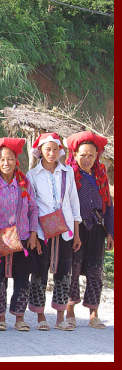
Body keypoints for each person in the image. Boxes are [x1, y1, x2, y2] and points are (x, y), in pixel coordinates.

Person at [0, 138, 40, 332]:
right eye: (2, 160)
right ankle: (0, 318)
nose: (6, 163)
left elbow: (33, 209)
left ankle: (19, 318)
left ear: (17, 160)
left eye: (10, 159)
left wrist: (32, 233)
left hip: (22, 238)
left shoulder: (24, 184)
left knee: (22, 279)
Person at [26, 132, 82, 331]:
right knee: (40, 273)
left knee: (63, 274)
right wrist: (33, 234)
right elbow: (31, 206)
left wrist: (76, 233)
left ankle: (60, 318)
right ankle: (41, 316)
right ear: (40, 151)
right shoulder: (32, 175)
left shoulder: (68, 173)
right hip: (42, 232)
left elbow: (74, 204)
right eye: (47, 149)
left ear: (60, 151)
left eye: (55, 149)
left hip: (65, 231)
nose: (51, 153)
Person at [64, 131, 114, 329]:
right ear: (75, 154)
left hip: (97, 229)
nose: (87, 159)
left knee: (96, 270)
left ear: (97, 156)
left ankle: (94, 314)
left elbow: (108, 205)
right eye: (82, 154)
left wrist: (111, 232)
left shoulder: (101, 177)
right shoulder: (69, 174)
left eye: (91, 155)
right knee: (73, 269)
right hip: (76, 228)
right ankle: (70, 311)